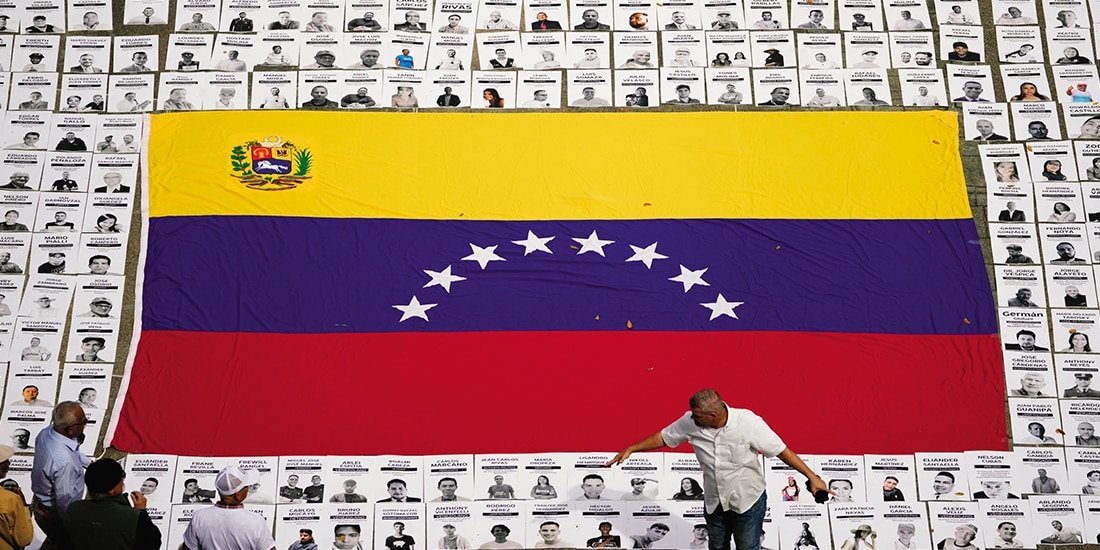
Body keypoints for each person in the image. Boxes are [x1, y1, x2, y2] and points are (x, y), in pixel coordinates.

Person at [608, 389, 828, 550]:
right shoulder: (690, 422)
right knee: (717, 547)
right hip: (714, 501)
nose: (691, 418)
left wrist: (812, 477)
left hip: (747, 501)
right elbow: (663, 437)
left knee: (747, 548)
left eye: (697, 416)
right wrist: (632, 448)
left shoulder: (749, 423)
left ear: (713, 416)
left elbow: (781, 450)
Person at [64, 458, 161, 550]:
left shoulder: (74, 509)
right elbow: (153, 542)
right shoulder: (133, 518)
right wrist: (142, 512)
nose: (123, 481)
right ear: (112, 490)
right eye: (122, 478)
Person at [32, 402, 91, 549]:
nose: (86, 423)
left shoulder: (47, 432)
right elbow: (65, 502)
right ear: (70, 430)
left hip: (41, 503)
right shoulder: (66, 464)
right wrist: (74, 526)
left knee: (56, 540)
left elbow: (74, 453)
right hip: (54, 514)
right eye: (83, 422)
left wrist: (89, 463)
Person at [181, 465, 277, 550]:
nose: (248, 489)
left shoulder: (199, 517)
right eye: (246, 486)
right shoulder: (256, 521)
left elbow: (188, 548)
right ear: (238, 494)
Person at [0, 444, 30, 548]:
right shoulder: (10, 499)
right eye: (4, 461)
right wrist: (24, 507)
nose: (9, 464)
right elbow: (24, 539)